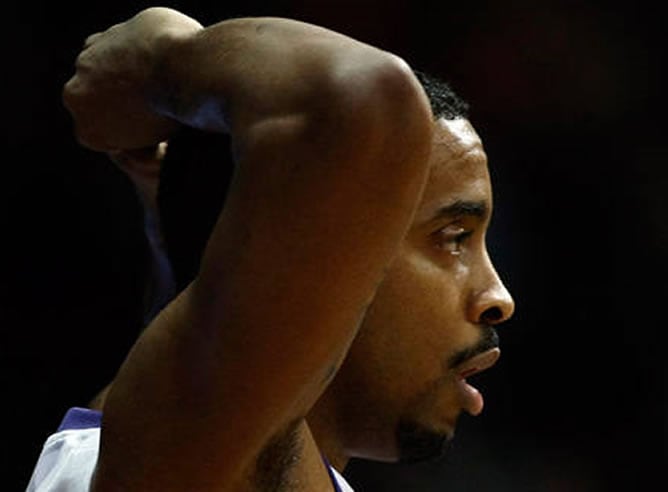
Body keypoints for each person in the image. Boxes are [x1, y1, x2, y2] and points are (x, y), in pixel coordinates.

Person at [27, 6, 514, 491]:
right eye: (454, 238)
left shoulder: (160, 436)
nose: (497, 297)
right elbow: (360, 94)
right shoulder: (196, 448)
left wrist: (187, 225)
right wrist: (159, 56)